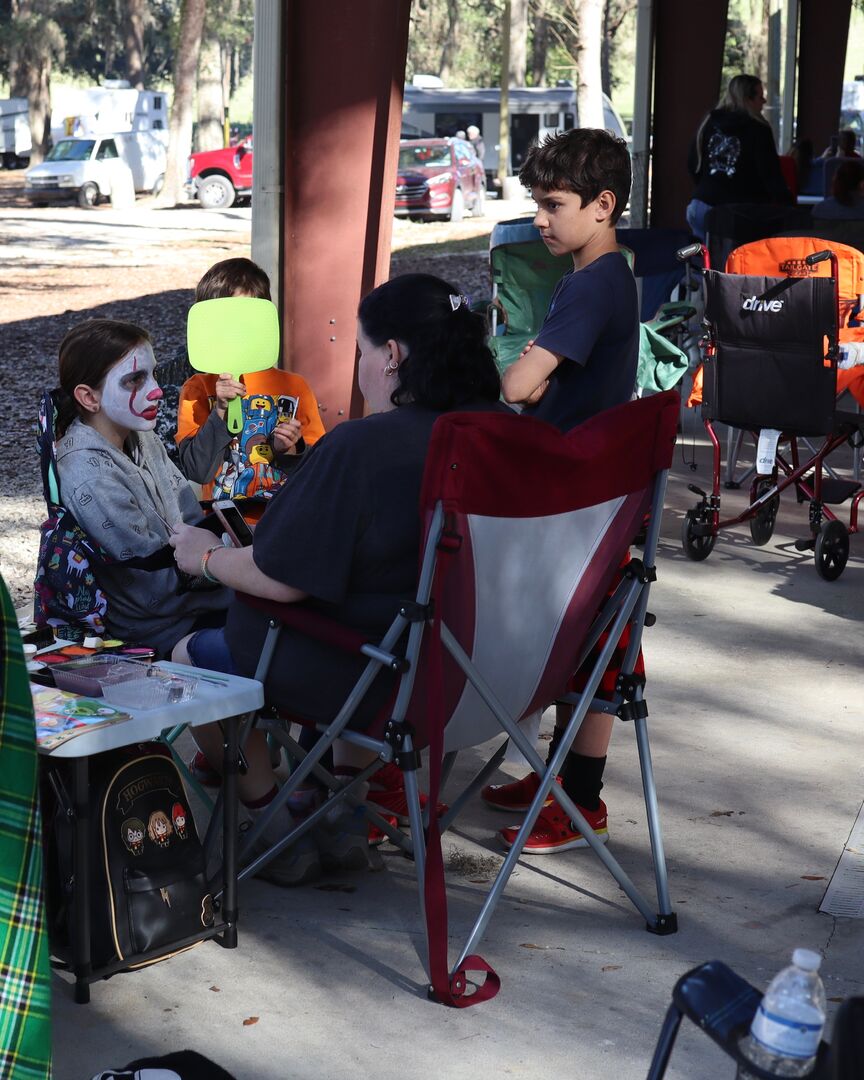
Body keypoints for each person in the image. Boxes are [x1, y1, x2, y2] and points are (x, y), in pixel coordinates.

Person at [168, 273, 506, 885]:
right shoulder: (512, 433)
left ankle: (275, 822)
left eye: (362, 352)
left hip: (383, 679)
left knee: (190, 654)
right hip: (490, 677)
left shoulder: (365, 446)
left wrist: (206, 557)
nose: (360, 368)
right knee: (365, 610)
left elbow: (280, 576)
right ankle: (344, 812)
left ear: (393, 355)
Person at [491, 127, 641, 855]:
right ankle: (560, 777)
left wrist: (520, 373)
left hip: (578, 503)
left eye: (553, 204)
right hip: (596, 492)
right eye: (536, 203)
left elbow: (520, 384)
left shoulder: (588, 286)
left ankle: (579, 800)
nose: (540, 220)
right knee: (590, 646)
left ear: (603, 205)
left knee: (590, 650)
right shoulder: (609, 280)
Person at [49, 319, 230, 658]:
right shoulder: (89, 474)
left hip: (199, 596)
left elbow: (189, 518)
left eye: (154, 374)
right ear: (89, 397)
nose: (157, 390)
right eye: (135, 379)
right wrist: (230, 563)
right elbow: (151, 587)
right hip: (160, 627)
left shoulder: (140, 435)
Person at [174, 258, 326, 504]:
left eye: (245, 320)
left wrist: (289, 450)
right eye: (224, 321)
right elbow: (198, 471)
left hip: (284, 519)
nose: (235, 330)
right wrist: (220, 411)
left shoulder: (295, 388)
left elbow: (319, 469)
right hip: (223, 524)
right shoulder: (196, 389)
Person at [686, 74, 792, 241]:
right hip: (738, 212)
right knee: (735, 263)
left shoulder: (710, 122)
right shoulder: (759, 129)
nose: (764, 101)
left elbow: (692, 163)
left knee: (703, 261)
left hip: (701, 204)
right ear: (748, 99)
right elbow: (770, 173)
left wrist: (709, 186)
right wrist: (787, 204)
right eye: (760, 96)